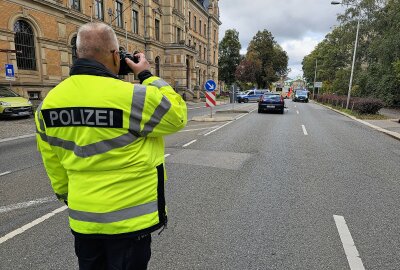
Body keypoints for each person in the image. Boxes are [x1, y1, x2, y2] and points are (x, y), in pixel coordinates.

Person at [35, 22, 187, 270]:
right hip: (130, 225)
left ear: (78, 53)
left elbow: (53, 163)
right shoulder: (133, 96)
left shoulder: (48, 104)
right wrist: (146, 75)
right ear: (116, 55)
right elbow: (177, 114)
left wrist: (70, 197)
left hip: (84, 222)